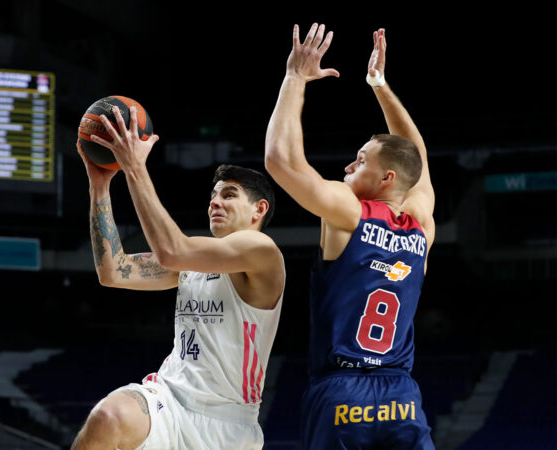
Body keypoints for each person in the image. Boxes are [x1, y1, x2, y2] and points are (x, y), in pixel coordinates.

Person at [72, 106, 285, 450]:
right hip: (168, 399)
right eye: (213, 196)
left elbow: (172, 251)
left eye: (229, 195)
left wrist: (134, 167)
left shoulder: (262, 251)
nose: (215, 203)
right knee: (108, 416)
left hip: (227, 422)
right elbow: (113, 271)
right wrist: (100, 186)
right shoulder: (193, 262)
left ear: (259, 209)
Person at [264, 24, 436, 449]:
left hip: (341, 393)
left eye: (359, 161)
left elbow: (280, 159)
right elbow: (415, 156)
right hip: (402, 397)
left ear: (386, 178)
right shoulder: (421, 223)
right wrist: (380, 85)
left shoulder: (349, 212)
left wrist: (294, 78)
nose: (347, 168)